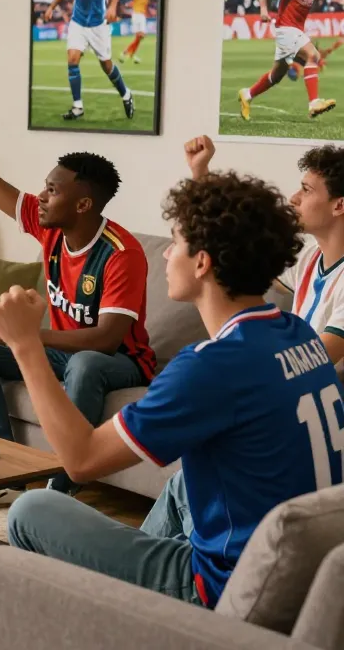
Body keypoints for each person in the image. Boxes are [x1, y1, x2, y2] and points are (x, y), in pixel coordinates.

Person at [0, 166, 343, 608]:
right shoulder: (298, 333)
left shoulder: (212, 366)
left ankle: (142, 613)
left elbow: (81, 460)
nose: (165, 255)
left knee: (31, 511)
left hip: (226, 589)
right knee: (183, 486)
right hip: (303, 574)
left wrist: (26, 344)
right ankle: (136, 612)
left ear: (202, 262)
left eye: (175, 242)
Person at [0, 79, 155, 505]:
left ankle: (62, 485)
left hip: (121, 361)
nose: (40, 197)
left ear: (83, 205)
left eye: (52, 191)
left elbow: (106, 339)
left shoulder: (122, 253)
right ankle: (7, 472)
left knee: (87, 365)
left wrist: (28, 337)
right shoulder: (49, 228)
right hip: (63, 352)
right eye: (45, 186)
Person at [140, 135, 344, 541]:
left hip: (314, 397)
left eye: (306, 190)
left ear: (339, 205)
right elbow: (236, 248)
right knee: (188, 484)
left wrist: (235, 372)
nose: (294, 198)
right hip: (289, 391)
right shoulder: (310, 258)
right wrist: (200, 174)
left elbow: (313, 357)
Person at [239, 0, 336, 121]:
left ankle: (247, 95)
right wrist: (264, 10)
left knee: (276, 76)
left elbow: (305, 1)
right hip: (286, 28)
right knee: (313, 55)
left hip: (296, 29)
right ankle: (314, 102)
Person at [119, 0, 157, 64]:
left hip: (142, 14)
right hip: (137, 14)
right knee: (141, 35)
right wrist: (128, 4)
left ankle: (129, 54)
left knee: (139, 37)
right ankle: (126, 53)